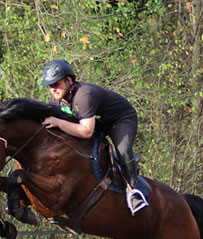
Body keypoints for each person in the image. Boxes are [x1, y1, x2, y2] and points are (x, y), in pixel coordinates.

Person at [40, 59, 148, 215]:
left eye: (56, 84)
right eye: (50, 85)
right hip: (97, 123)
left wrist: (58, 122)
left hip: (120, 120)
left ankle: (134, 190)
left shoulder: (84, 95)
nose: (53, 89)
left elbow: (86, 132)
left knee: (123, 150)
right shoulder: (56, 101)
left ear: (69, 80)